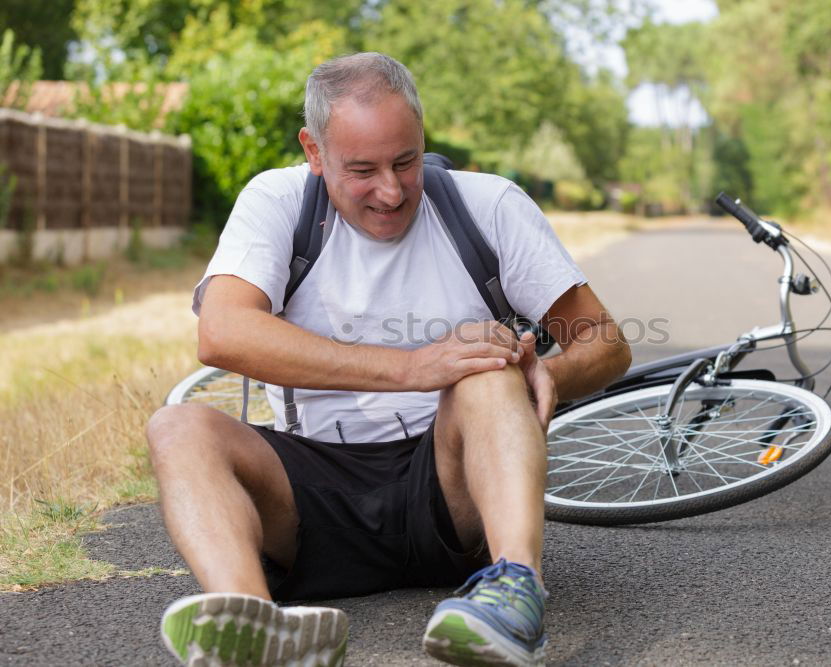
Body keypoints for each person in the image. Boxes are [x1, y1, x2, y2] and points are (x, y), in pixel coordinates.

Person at [149, 52, 631, 667]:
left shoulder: (489, 206)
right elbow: (223, 333)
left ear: (423, 136)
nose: (392, 189)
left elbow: (606, 340)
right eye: (363, 169)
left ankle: (516, 593)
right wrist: (409, 367)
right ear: (314, 151)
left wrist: (543, 376)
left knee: (488, 370)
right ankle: (255, 623)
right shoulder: (275, 202)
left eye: (406, 161)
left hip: (450, 486)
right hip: (311, 495)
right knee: (177, 426)